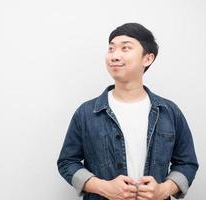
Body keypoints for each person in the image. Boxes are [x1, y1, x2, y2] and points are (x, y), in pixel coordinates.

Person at [57, 23, 198, 200]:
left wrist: (163, 190)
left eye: (125, 48)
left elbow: (187, 163)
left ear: (147, 58)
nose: (115, 56)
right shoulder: (86, 113)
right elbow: (67, 162)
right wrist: (102, 187)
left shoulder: (169, 112)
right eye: (111, 49)